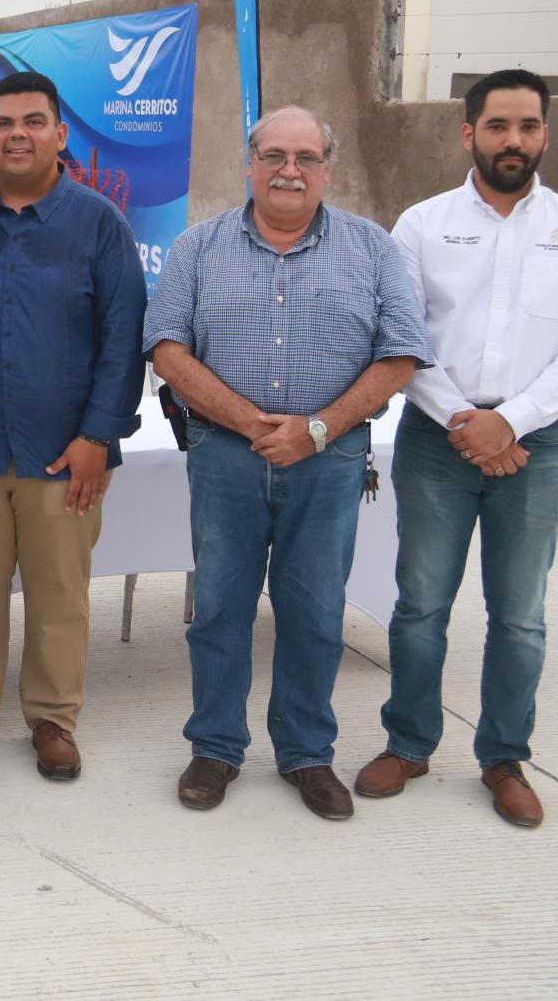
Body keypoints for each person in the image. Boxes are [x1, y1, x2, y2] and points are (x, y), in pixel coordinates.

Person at [356, 69, 558, 827]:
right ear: (467, 132)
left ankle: (504, 757)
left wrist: (512, 421)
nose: (515, 139)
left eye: (529, 126)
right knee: (420, 607)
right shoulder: (422, 225)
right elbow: (403, 335)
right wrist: (465, 422)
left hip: (540, 443)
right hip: (438, 438)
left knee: (519, 616)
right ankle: (408, 743)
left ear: (545, 133)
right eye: (500, 125)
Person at [144, 106, 432, 821]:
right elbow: (167, 348)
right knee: (218, 608)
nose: (289, 170)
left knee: (314, 613)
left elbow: (401, 352)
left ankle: (306, 752)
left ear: (328, 168)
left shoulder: (372, 249)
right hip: (224, 457)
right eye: (274, 154)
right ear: (250, 162)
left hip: (329, 461)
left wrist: (319, 427)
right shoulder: (197, 247)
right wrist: (249, 421)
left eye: (305, 156)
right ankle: (214, 746)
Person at [0, 70, 147, 779]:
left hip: (65, 452)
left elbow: (123, 335)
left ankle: (53, 718)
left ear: (60, 134)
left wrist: (98, 437)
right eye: (2, 122)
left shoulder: (99, 223)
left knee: (58, 590)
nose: (16, 133)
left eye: (31, 121)